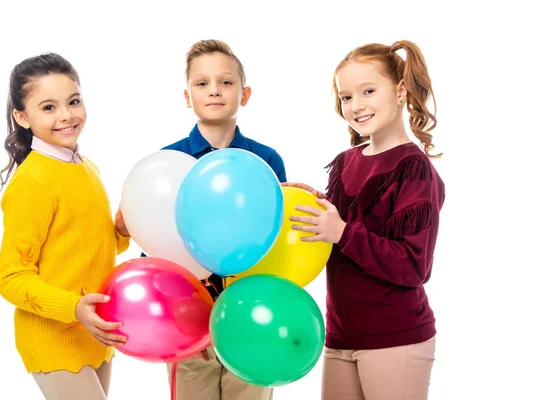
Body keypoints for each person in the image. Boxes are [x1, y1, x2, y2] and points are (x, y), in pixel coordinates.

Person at [285, 40, 445, 400]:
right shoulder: (345, 161)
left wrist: (341, 232)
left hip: (395, 337)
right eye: (346, 97)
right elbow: (349, 224)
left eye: (368, 91)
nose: (356, 106)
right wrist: (315, 202)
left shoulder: (412, 168)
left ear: (401, 91)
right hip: (342, 334)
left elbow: (414, 265)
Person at [0, 52, 131, 400]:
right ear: (21, 117)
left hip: (95, 331)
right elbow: (11, 278)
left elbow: (87, 246)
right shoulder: (33, 182)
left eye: (73, 101)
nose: (67, 115)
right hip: (54, 338)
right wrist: (73, 308)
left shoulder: (86, 168)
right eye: (49, 107)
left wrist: (120, 231)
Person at [161, 39, 286, 400]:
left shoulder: (266, 162)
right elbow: (159, 247)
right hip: (188, 324)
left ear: (244, 94)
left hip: (251, 321)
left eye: (226, 82)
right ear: (187, 96)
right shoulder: (169, 163)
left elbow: (274, 242)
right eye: (201, 83)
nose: (214, 91)